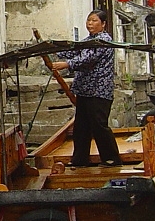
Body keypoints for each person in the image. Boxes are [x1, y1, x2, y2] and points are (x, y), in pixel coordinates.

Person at [52, 10, 122, 167]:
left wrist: (66, 64)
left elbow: (87, 59)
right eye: (89, 20)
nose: (90, 23)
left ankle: (111, 159)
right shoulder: (88, 40)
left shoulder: (103, 40)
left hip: (99, 90)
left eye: (94, 20)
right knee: (81, 126)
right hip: (84, 89)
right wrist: (54, 48)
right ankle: (80, 159)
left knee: (99, 125)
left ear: (103, 24)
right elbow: (74, 51)